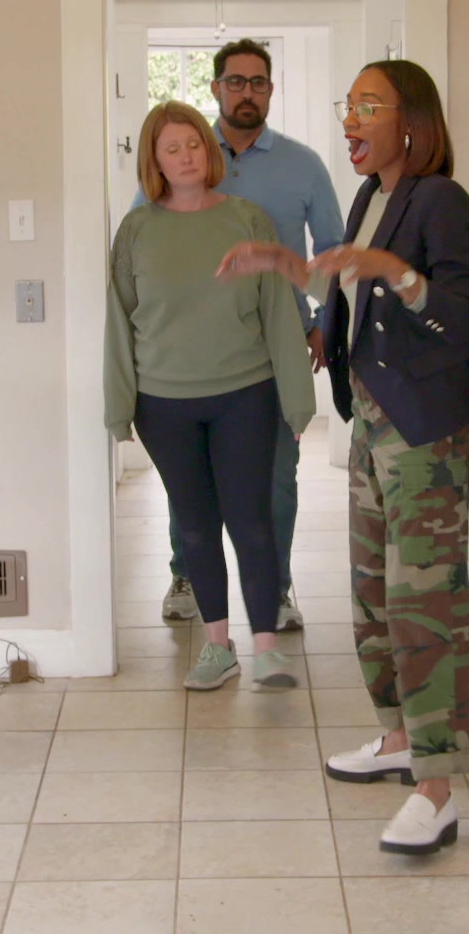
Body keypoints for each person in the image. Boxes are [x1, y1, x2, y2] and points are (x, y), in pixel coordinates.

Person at [216, 60, 469, 852]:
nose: (350, 119)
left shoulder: (441, 200)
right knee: (373, 591)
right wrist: (291, 269)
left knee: (423, 604)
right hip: (372, 420)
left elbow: (455, 317)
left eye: (368, 106)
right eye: (348, 105)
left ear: (411, 121)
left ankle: (437, 789)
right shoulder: (371, 196)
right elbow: (347, 288)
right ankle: (399, 736)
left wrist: (392, 270)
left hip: (421, 428)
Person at [133, 38, 344, 632]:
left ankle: (274, 588)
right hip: (190, 352)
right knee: (192, 481)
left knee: (275, 478)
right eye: (234, 81)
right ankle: (186, 575)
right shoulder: (182, 154)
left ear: (271, 90)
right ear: (216, 88)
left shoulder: (303, 165)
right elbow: (144, 238)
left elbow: (331, 251)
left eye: (257, 82)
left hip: (274, 350)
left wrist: (323, 322)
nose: (246, 92)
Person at [105, 100, 316, 692]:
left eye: (194, 143)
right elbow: (119, 322)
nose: (186, 156)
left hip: (245, 394)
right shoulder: (137, 231)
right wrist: (118, 406)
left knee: (252, 520)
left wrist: (297, 398)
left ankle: (267, 648)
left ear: (209, 149)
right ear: (154, 161)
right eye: (171, 148)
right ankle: (218, 648)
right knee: (195, 525)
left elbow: (278, 312)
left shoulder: (247, 220)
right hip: (163, 403)